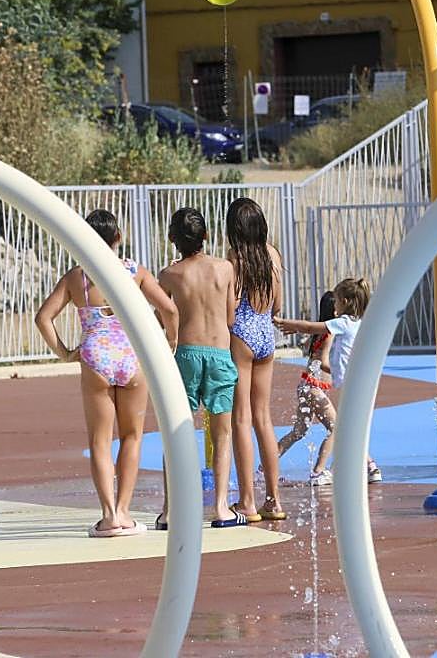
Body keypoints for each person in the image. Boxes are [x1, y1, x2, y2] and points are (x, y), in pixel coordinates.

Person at [35, 209, 179, 538]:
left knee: (100, 441)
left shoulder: (77, 277)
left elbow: (43, 317)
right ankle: (126, 512)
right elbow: (169, 309)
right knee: (132, 436)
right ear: (118, 238)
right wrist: (168, 342)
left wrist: (64, 352)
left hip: (94, 356)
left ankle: (108, 515)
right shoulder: (134, 271)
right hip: (132, 357)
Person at [157, 206, 245, 528]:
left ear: (172, 239)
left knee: (177, 432)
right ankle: (221, 507)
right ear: (206, 235)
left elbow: (161, 315)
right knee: (222, 434)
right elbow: (231, 317)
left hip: (186, 355)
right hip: (220, 354)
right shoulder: (225, 268)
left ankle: (171, 508)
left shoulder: (170, 274)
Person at [275, 277, 383, 486]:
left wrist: (286, 323)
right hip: (343, 385)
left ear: (343, 301)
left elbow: (308, 328)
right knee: (344, 428)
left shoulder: (339, 326)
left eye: (337, 301)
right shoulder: (357, 325)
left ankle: (319, 470)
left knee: (328, 429)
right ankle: (343, 468)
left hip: (325, 385)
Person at [226, 197, 286, 521]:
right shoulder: (273, 254)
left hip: (242, 337)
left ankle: (247, 500)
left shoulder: (235, 260)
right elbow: (278, 305)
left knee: (241, 418)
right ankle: (274, 500)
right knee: (264, 418)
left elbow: (232, 308)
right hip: (266, 335)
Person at [276, 290, 338, 484]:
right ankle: (319, 471)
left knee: (299, 431)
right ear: (335, 311)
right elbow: (324, 361)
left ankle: (264, 469)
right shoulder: (329, 333)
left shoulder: (320, 331)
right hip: (313, 387)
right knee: (337, 429)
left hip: (306, 384)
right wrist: (342, 370)